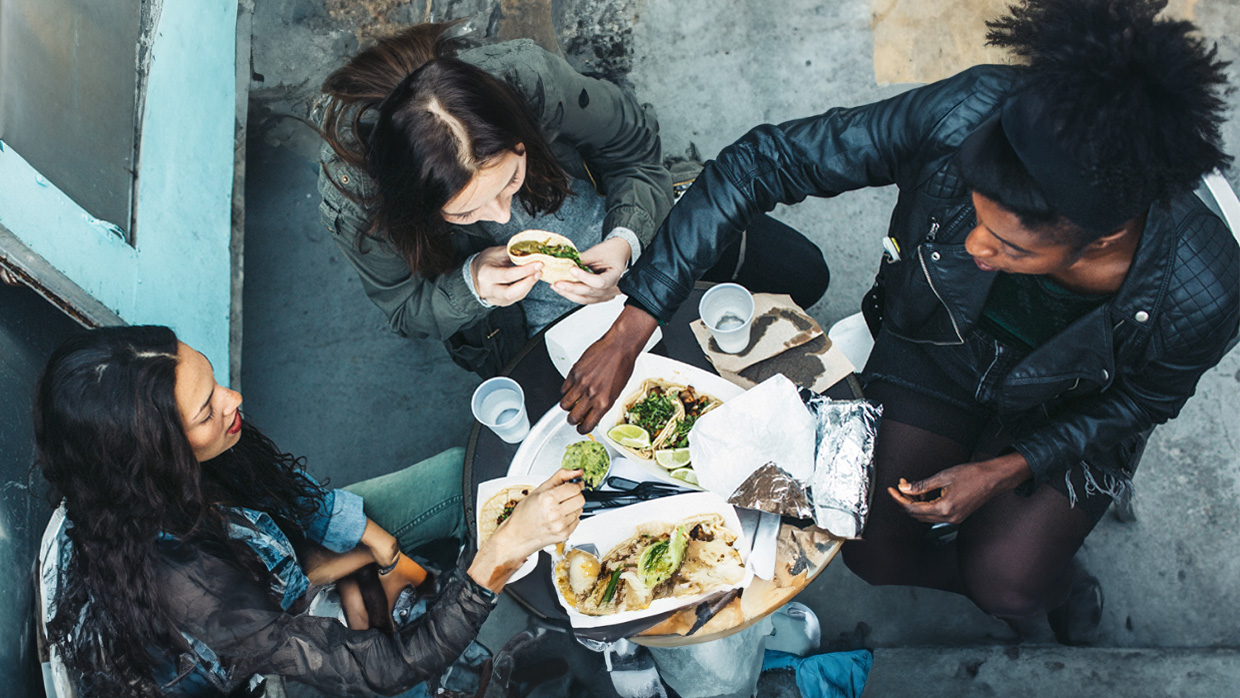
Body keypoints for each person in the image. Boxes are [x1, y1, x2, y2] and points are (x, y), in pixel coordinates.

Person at [560, 0, 1238, 645]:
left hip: (1069, 404)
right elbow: (762, 162)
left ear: (1103, 237)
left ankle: (1045, 591)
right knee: (870, 551)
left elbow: (1146, 399)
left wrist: (1007, 468)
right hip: (937, 345)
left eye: (1010, 246)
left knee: (1009, 580)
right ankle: (976, 581)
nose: (975, 248)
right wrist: (638, 316)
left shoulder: (1204, 286)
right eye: (973, 214)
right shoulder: (966, 112)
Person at [34, 325, 585, 696]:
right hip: (263, 659)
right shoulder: (188, 589)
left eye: (214, 381)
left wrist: (373, 542)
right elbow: (378, 667)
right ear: (159, 456)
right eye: (207, 410)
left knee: (450, 481)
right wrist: (499, 556)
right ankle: (468, 679)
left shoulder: (171, 468)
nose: (234, 400)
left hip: (272, 567)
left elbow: (286, 491)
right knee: (399, 662)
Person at [318, 22, 829, 377]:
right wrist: (471, 285)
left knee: (805, 275)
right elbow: (405, 311)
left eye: (509, 181)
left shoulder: (531, 82)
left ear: (521, 136)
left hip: (652, 224)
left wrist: (626, 238)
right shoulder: (358, 203)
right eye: (467, 213)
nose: (502, 217)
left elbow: (635, 148)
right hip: (531, 321)